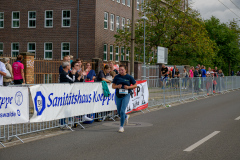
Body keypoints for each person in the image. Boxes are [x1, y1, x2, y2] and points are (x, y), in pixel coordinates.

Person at [112, 65, 137, 133]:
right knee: (119, 112)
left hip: (126, 95)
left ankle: (121, 127)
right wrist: (117, 86)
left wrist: (128, 87)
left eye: (122, 70)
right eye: (119, 70)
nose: (120, 71)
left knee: (122, 111)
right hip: (118, 95)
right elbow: (113, 86)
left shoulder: (129, 77)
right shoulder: (117, 77)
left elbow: (135, 85)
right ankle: (126, 116)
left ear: (125, 70)